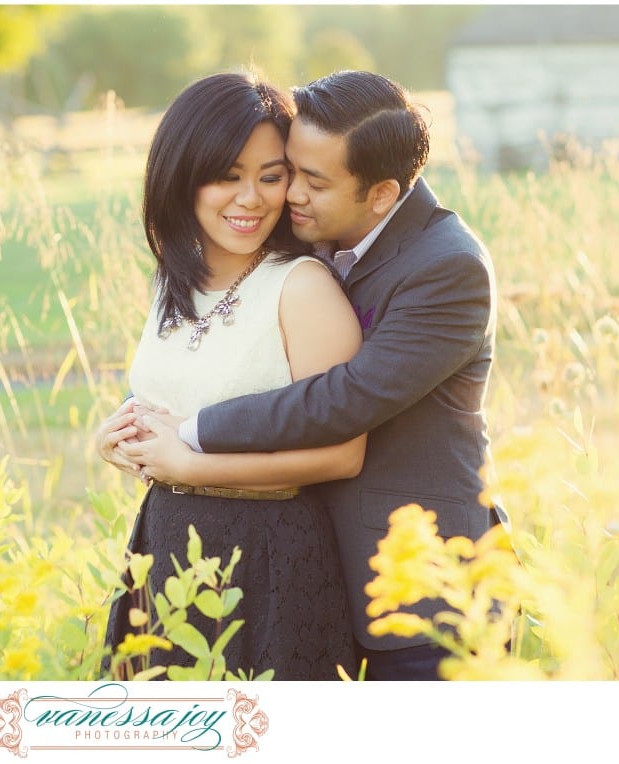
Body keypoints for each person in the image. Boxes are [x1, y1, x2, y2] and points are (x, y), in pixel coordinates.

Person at [120, 70, 501, 681]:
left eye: (309, 180)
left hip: (425, 592)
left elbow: (341, 401)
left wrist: (189, 434)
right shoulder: (314, 237)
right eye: (287, 170)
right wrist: (137, 420)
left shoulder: (447, 268)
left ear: (380, 194)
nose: (285, 193)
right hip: (305, 570)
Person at [97, 71, 366, 681]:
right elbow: (174, 396)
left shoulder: (302, 290)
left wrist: (191, 467)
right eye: (228, 176)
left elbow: (344, 453)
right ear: (182, 175)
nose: (252, 198)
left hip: (269, 558)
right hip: (164, 540)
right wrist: (116, 436)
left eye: (271, 177)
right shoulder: (173, 280)